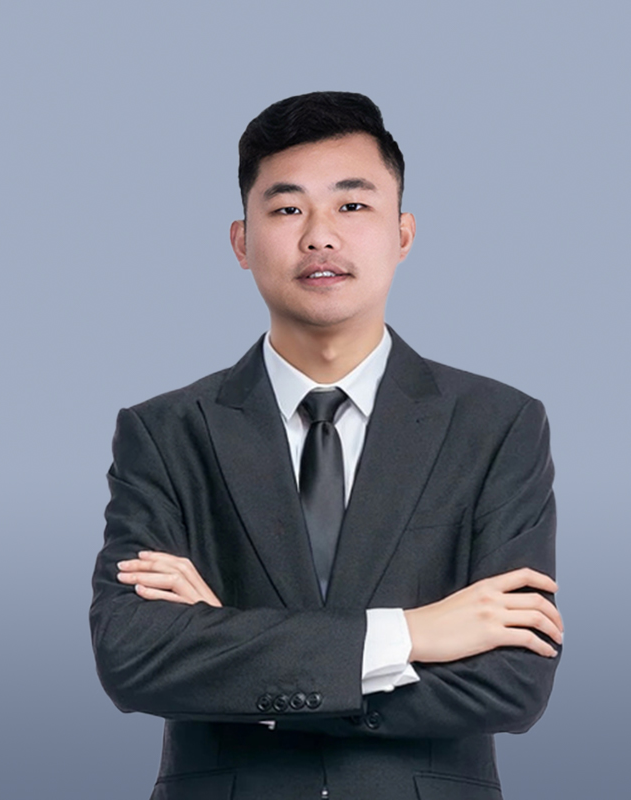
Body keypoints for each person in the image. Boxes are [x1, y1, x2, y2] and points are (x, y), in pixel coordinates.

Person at [90, 91, 563, 800]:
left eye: (352, 204)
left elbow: (513, 682)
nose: (319, 236)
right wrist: (409, 635)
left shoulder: (498, 425)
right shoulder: (164, 432)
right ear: (241, 241)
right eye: (287, 209)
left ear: (403, 233)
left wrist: (232, 658)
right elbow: (133, 657)